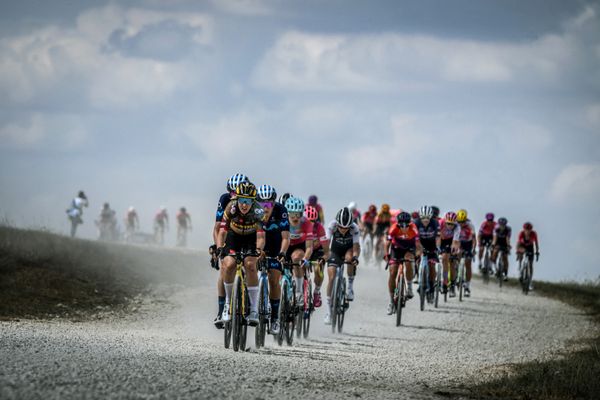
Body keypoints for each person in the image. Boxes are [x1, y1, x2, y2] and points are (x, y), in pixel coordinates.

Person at [217, 182, 265, 326]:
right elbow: (223, 231)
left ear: (253, 201)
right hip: (234, 237)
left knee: (250, 265)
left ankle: (254, 309)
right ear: (236, 200)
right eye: (242, 200)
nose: (244, 205)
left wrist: (259, 250)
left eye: (248, 201)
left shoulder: (258, 211)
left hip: (250, 239)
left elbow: (261, 237)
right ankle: (227, 304)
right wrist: (220, 248)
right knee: (229, 264)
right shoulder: (230, 208)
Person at [210, 173, 249, 328]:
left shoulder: (250, 200)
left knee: (249, 264)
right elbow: (217, 228)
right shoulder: (224, 200)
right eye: (232, 192)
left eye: (237, 192)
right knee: (224, 269)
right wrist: (219, 248)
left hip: (247, 236)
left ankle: (248, 304)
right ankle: (221, 310)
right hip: (228, 236)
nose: (234, 196)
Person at [256, 184, 289, 335]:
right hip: (258, 245)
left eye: (269, 203)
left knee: (274, 279)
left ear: (274, 203)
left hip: (276, 247)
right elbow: (258, 237)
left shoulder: (281, 211)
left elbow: (286, 237)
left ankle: (275, 318)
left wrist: (282, 253)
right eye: (262, 203)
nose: (265, 207)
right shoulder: (255, 212)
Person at [324, 207, 360, 324]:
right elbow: (326, 244)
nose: (344, 230)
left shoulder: (355, 228)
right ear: (337, 224)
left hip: (348, 249)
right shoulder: (332, 225)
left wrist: (355, 257)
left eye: (346, 228)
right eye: (341, 227)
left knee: (350, 259)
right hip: (335, 250)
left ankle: (349, 287)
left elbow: (356, 247)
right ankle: (328, 311)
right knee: (331, 276)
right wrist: (324, 256)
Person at [385, 211, 418, 314]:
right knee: (392, 272)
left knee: (408, 261)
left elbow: (418, 244)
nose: (404, 227)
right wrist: (387, 254)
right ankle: (391, 301)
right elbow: (388, 242)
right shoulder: (393, 228)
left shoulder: (413, 228)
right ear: (398, 223)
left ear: (409, 223)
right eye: (401, 224)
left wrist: (418, 254)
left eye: (406, 224)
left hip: (409, 249)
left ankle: (409, 287)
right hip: (396, 249)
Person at [285, 197, 314, 307]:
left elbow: (309, 247)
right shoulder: (283, 221)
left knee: (297, 258)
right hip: (285, 245)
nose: (295, 217)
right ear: (287, 213)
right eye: (292, 214)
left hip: (299, 246)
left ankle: (298, 292)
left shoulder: (306, 224)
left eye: (298, 214)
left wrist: (305, 259)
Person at [414, 206, 441, 303]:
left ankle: (431, 285)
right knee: (416, 259)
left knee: (432, 265)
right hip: (419, 244)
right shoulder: (415, 223)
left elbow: (438, 238)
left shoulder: (435, 223)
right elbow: (414, 239)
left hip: (431, 245)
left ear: (431, 217)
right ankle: (419, 278)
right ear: (420, 218)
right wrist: (418, 249)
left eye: (427, 218)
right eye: (423, 218)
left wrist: (437, 248)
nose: (425, 220)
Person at [305, 205, 330, 308]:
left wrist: (323, 258)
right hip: (305, 249)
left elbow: (327, 251)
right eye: (307, 222)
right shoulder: (297, 227)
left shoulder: (319, 227)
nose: (310, 224)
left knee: (318, 269)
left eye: (313, 222)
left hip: (317, 251)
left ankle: (317, 291)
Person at [439, 211, 461, 296]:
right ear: (445, 221)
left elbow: (455, 242)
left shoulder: (457, 227)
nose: (450, 226)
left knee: (452, 261)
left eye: (452, 224)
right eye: (448, 223)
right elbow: (437, 237)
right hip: (441, 240)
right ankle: (444, 281)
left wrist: (453, 251)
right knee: (444, 258)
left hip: (451, 241)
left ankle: (452, 285)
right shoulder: (440, 223)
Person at [456, 209, 476, 297]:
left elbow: (474, 239)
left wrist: (473, 249)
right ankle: (456, 275)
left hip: (468, 243)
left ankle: (467, 286)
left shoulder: (470, 225)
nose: (461, 224)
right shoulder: (455, 224)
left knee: (468, 263)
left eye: (462, 222)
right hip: (458, 242)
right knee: (457, 255)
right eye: (459, 222)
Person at [516, 222, 540, 290]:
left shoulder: (534, 234)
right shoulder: (521, 233)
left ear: (531, 230)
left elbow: (536, 243)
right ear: (524, 229)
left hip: (530, 247)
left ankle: (530, 281)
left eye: (529, 229)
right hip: (522, 246)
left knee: (530, 264)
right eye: (526, 229)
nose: (527, 231)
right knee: (521, 255)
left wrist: (537, 252)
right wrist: (518, 251)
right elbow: (518, 244)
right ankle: (520, 268)